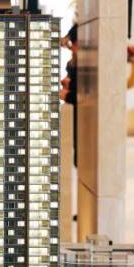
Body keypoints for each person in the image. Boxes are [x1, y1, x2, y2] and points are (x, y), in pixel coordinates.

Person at [59, 24, 78, 166]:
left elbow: (82, 95)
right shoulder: (72, 62)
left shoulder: (82, 63)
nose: (70, 47)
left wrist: (66, 93)